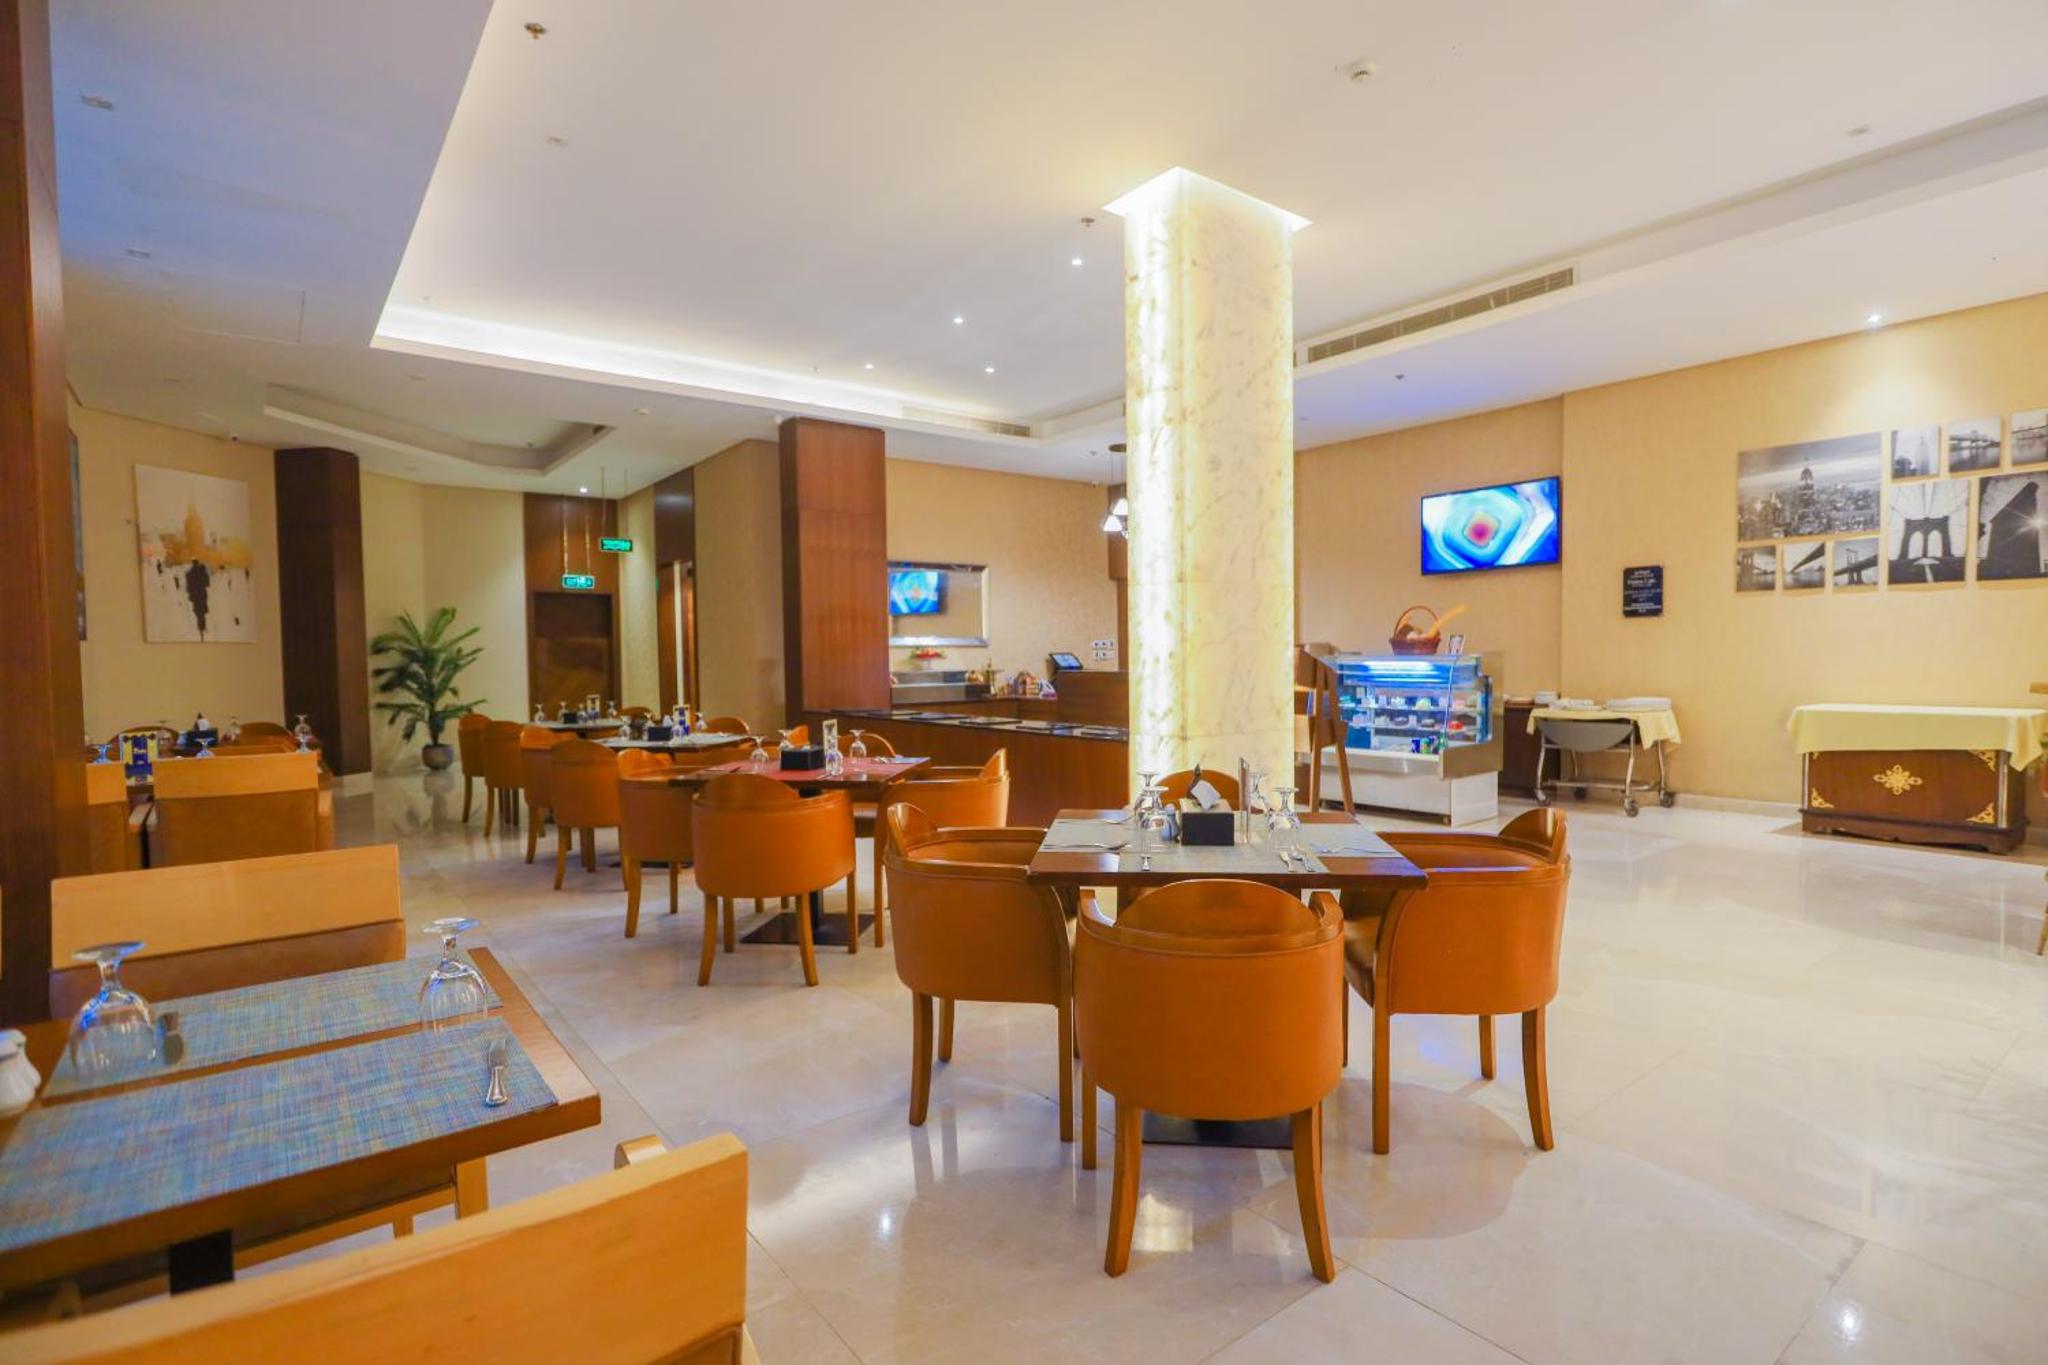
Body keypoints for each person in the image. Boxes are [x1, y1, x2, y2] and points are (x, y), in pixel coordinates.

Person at [185, 557, 212, 637]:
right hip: (202, 594)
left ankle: (200, 627)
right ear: (197, 563)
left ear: (192, 563)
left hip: (194, 595)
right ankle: (202, 626)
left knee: (197, 611)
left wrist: (190, 594)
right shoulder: (202, 572)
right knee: (202, 611)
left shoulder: (189, 573)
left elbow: (188, 587)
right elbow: (207, 584)